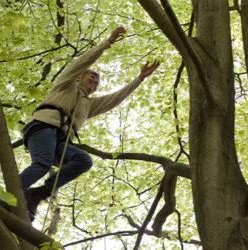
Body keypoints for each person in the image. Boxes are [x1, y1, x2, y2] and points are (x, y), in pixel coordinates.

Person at [19, 27, 160, 221]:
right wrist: (106, 43)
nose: (94, 84)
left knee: (83, 161)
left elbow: (116, 98)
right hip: (43, 127)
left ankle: (38, 194)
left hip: (61, 140)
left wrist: (139, 79)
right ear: (79, 78)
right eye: (91, 79)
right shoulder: (66, 85)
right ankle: (9, 197)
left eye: (97, 83)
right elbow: (81, 63)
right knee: (42, 164)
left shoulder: (88, 105)